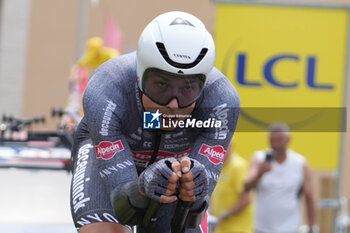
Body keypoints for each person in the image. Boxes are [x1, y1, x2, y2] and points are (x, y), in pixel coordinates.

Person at [69, 11, 240, 233]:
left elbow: (192, 216)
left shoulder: (222, 100)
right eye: (161, 86)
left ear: (203, 83)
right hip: (106, 156)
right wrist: (141, 187)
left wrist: (195, 192)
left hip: (176, 164)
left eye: (187, 89)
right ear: (140, 76)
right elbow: (123, 206)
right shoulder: (108, 87)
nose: (173, 104)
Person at [244, 123, 317, 233]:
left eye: (279, 140)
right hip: (262, 228)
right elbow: (246, 186)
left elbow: (309, 197)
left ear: (288, 140)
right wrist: (259, 174)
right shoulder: (259, 159)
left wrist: (312, 227)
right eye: (272, 140)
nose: (275, 144)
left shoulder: (300, 163)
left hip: (290, 228)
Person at [210, 141, 254, 233]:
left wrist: (225, 215)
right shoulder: (219, 166)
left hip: (237, 229)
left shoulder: (238, 166)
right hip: (221, 228)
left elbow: (246, 199)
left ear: (231, 146)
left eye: (225, 146)